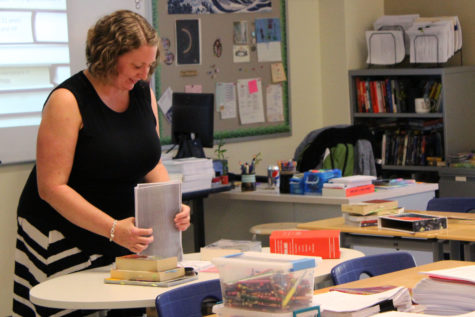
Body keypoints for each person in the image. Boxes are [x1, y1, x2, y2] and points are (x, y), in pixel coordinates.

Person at [12, 10, 191, 316]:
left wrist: (174, 203)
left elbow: (148, 162)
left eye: (149, 65)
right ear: (108, 56)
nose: (144, 74)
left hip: (121, 232)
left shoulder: (141, 93)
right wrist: (111, 229)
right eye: (136, 65)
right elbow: (51, 188)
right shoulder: (67, 101)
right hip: (63, 232)